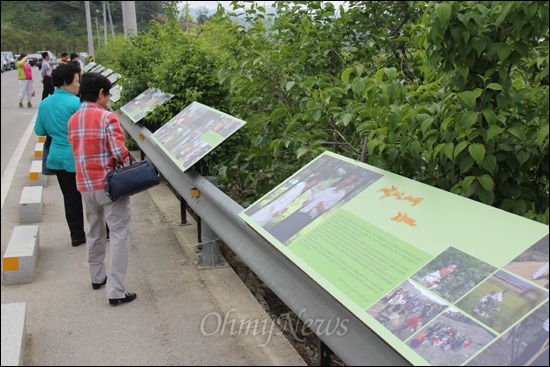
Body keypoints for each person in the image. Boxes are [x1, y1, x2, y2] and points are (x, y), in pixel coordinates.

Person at [67, 72, 136, 306]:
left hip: (84, 185)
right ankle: (116, 291)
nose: (108, 99)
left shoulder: (73, 119)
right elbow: (118, 152)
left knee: (94, 231)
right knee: (118, 234)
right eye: (107, 95)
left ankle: (97, 277)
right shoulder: (108, 118)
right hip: (109, 186)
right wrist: (129, 161)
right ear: (100, 94)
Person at [34, 63, 86, 246]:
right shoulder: (76, 103)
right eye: (77, 81)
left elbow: (39, 130)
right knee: (92, 195)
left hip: (57, 157)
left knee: (70, 197)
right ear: (66, 81)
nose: (79, 85)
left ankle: (77, 235)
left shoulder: (45, 103)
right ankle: (103, 230)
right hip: (78, 156)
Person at [268, 174, 357, 243]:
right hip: (301, 212)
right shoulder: (330, 189)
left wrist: (320, 206)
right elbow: (313, 197)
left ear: (351, 183)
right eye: (348, 178)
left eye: (350, 180)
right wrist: (307, 201)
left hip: (307, 217)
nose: (347, 180)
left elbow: (323, 210)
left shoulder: (341, 195)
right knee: (279, 228)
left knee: (284, 234)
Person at [249, 177, 320, 227]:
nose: (315, 184)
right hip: (272, 209)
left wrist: (281, 210)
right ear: (312, 181)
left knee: (261, 222)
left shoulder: (301, 190)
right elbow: (282, 199)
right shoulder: (297, 188)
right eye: (315, 182)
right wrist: (276, 211)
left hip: (275, 210)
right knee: (257, 220)